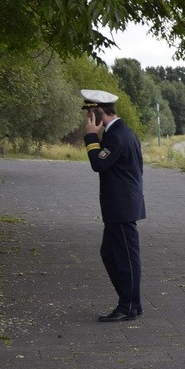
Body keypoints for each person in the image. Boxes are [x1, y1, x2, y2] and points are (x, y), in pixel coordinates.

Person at [82, 90, 146, 322]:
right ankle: (132, 302)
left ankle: (128, 306)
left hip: (121, 207)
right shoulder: (121, 131)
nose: (88, 121)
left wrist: (91, 137)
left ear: (99, 113)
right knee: (109, 253)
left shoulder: (117, 135)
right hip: (121, 205)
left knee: (126, 257)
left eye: (90, 116)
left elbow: (99, 164)